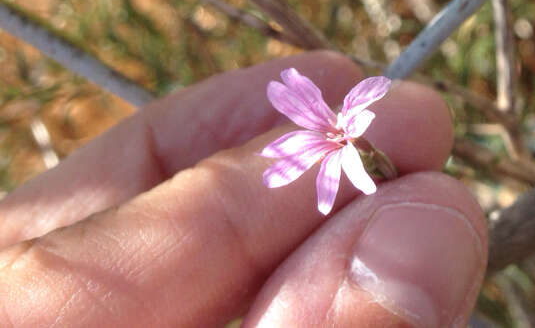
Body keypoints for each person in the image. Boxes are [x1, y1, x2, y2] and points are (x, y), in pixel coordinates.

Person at [0, 51, 487, 326]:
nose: (339, 134)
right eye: (339, 133)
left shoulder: (347, 129)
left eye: (344, 132)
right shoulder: (335, 143)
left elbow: (357, 115)